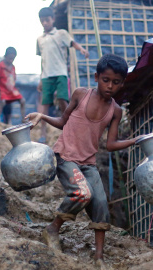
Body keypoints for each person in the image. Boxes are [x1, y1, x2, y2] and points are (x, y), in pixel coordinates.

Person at [25, 54, 142, 264]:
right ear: (96, 77)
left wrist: (137, 140)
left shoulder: (115, 110)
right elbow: (63, 122)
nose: (110, 86)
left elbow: (110, 144)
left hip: (88, 164)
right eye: (105, 80)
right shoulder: (81, 94)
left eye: (116, 82)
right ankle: (52, 229)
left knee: (101, 206)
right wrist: (42, 116)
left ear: (122, 83)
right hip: (66, 157)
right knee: (82, 193)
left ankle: (99, 257)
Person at [36, 7, 89, 143]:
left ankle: (69, 127)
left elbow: (73, 43)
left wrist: (82, 49)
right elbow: (42, 59)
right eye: (42, 21)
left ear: (53, 19)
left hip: (60, 72)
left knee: (62, 100)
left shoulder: (61, 33)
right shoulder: (40, 39)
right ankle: (43, 133)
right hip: (46, 75)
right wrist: (41, 78)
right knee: (45, 103)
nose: (45, 23)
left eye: (47, 20)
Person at [0, 47, 25, 124]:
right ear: (5, 56)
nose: (11, 60)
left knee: (22, 101)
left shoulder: (13, 67)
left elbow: (14, 79)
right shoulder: (0, 66)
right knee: (3, 102)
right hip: (3, 89)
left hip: (11, 90)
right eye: (10, 58)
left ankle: (24, 120)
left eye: (13, 59)